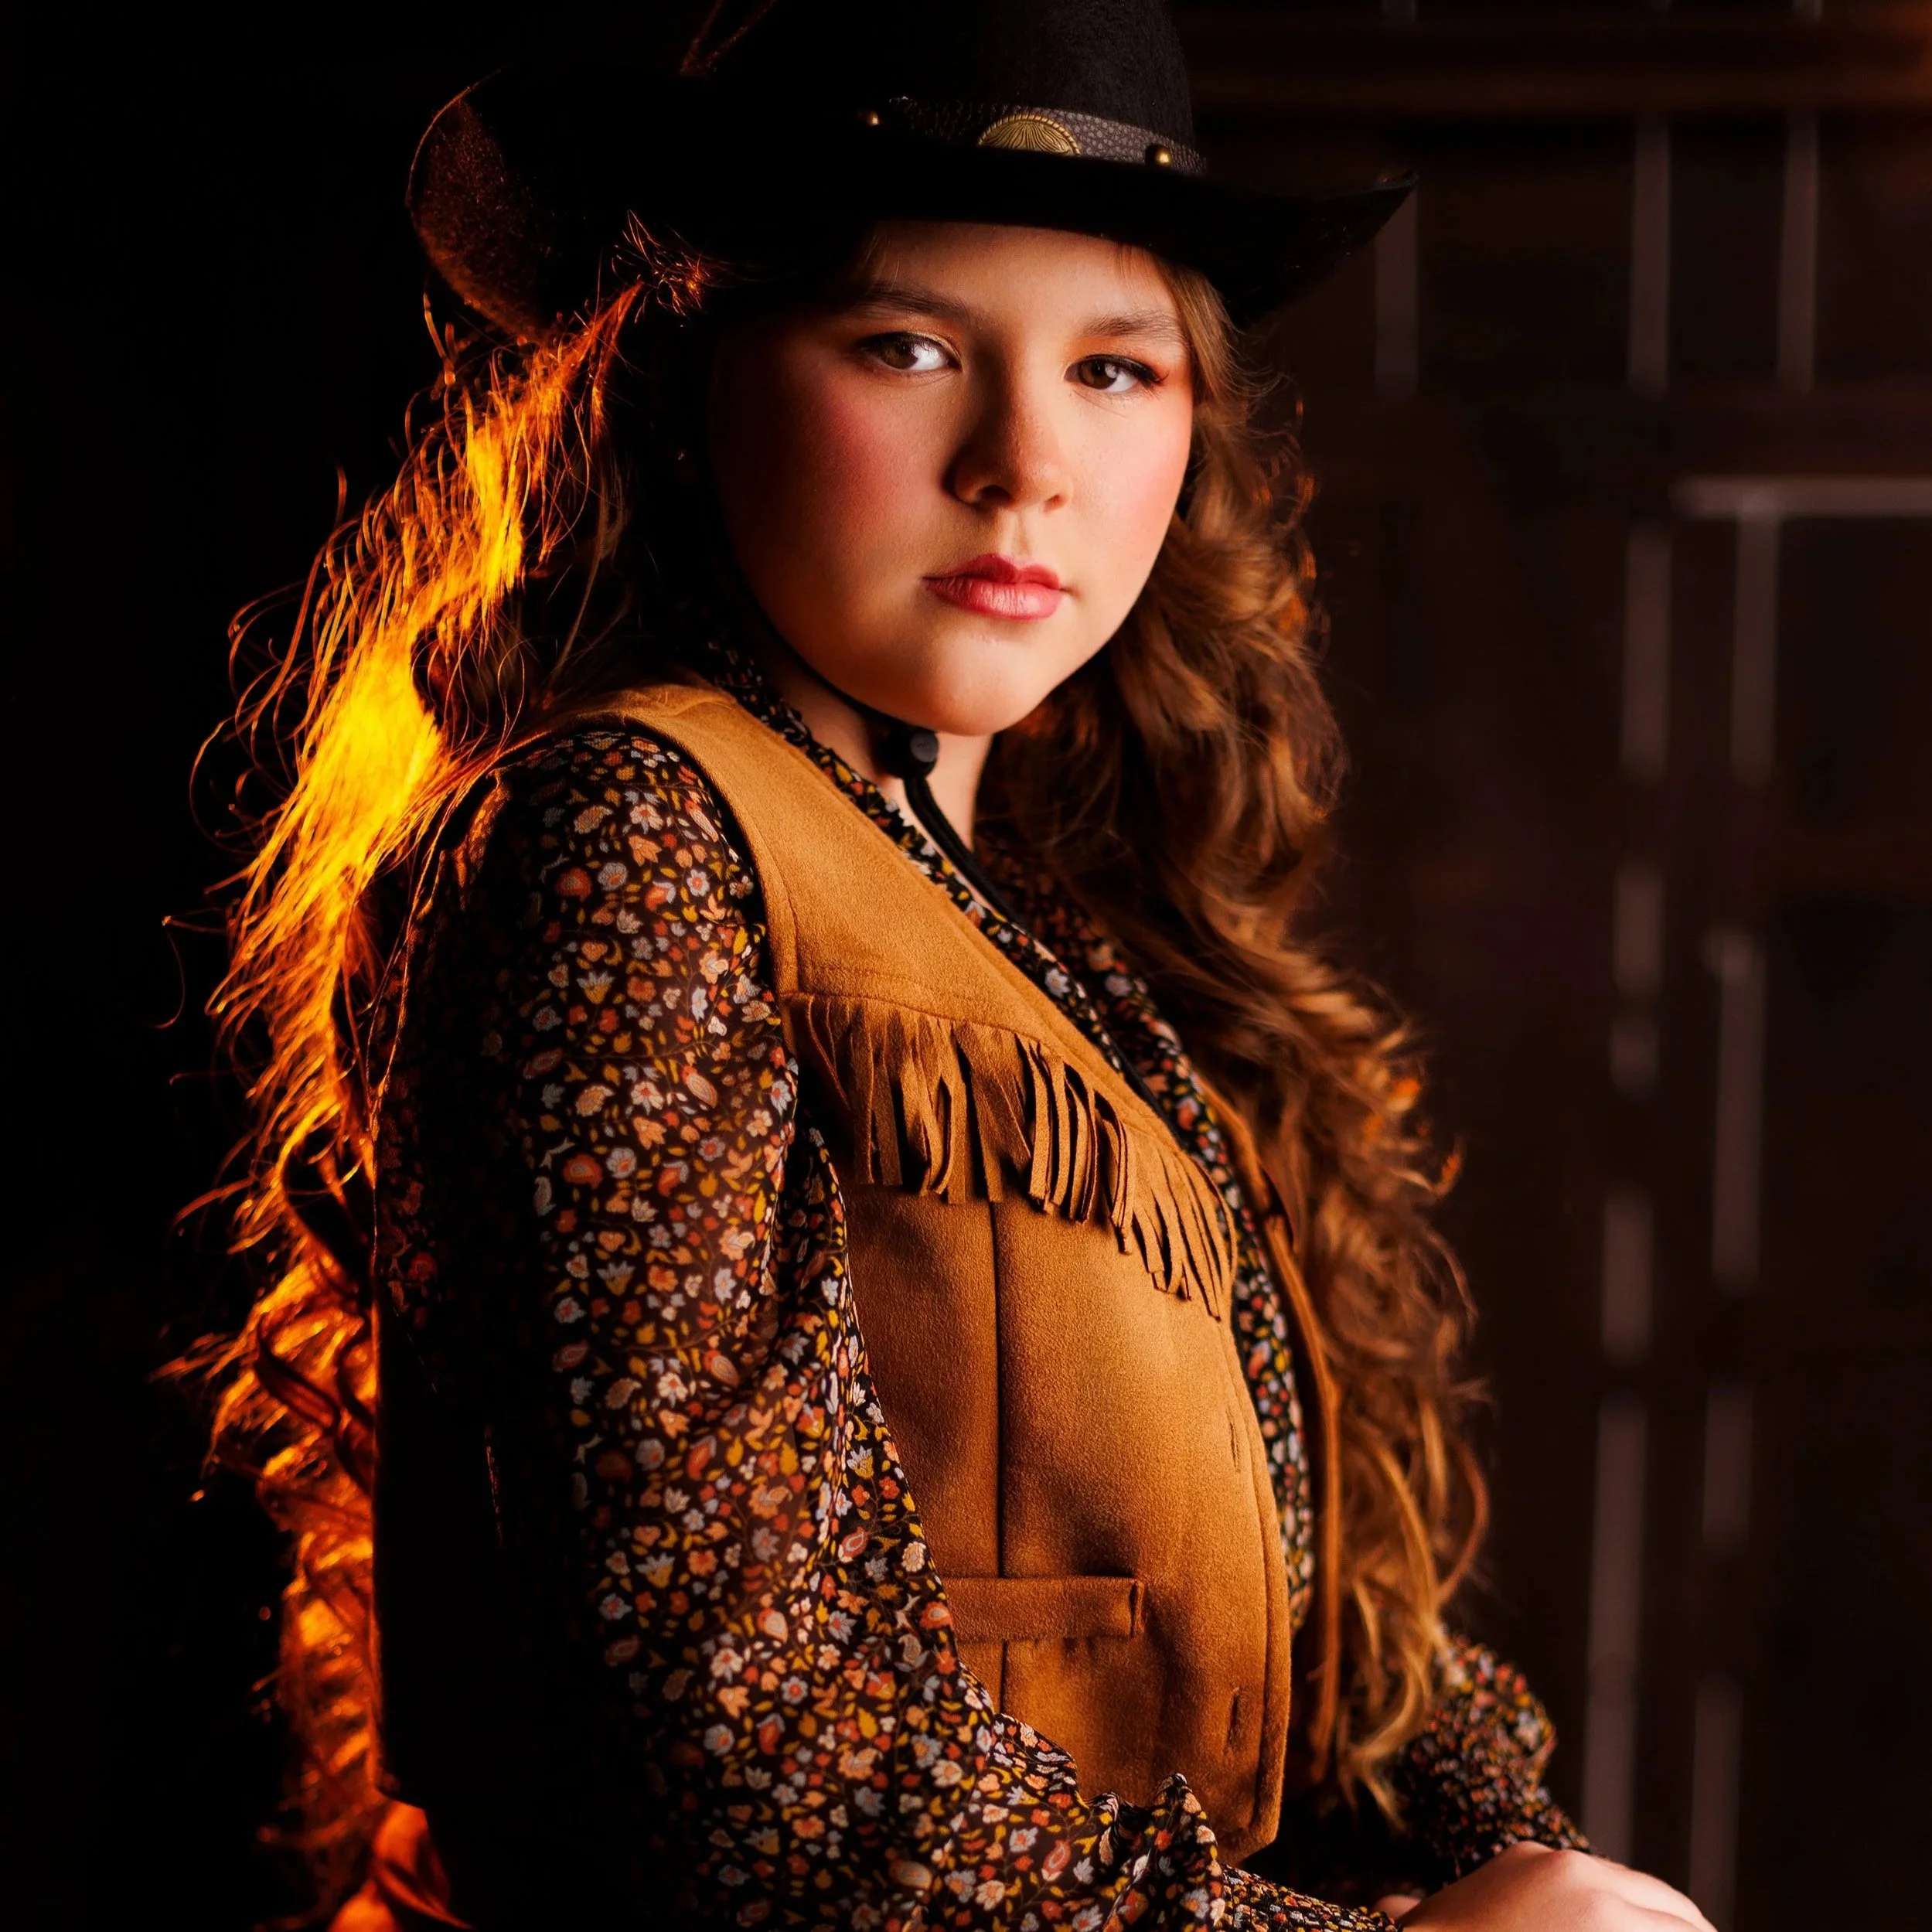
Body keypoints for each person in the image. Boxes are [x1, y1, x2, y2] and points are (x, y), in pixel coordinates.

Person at [203, 5, 1715, 1928]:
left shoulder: (1064, 941)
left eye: (1112, 367)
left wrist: (1522, 1858)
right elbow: (747, 1749)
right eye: (906, 345)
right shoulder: (630, 838)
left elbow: (1294, 1633)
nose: (1024, 464)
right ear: (685, 374)